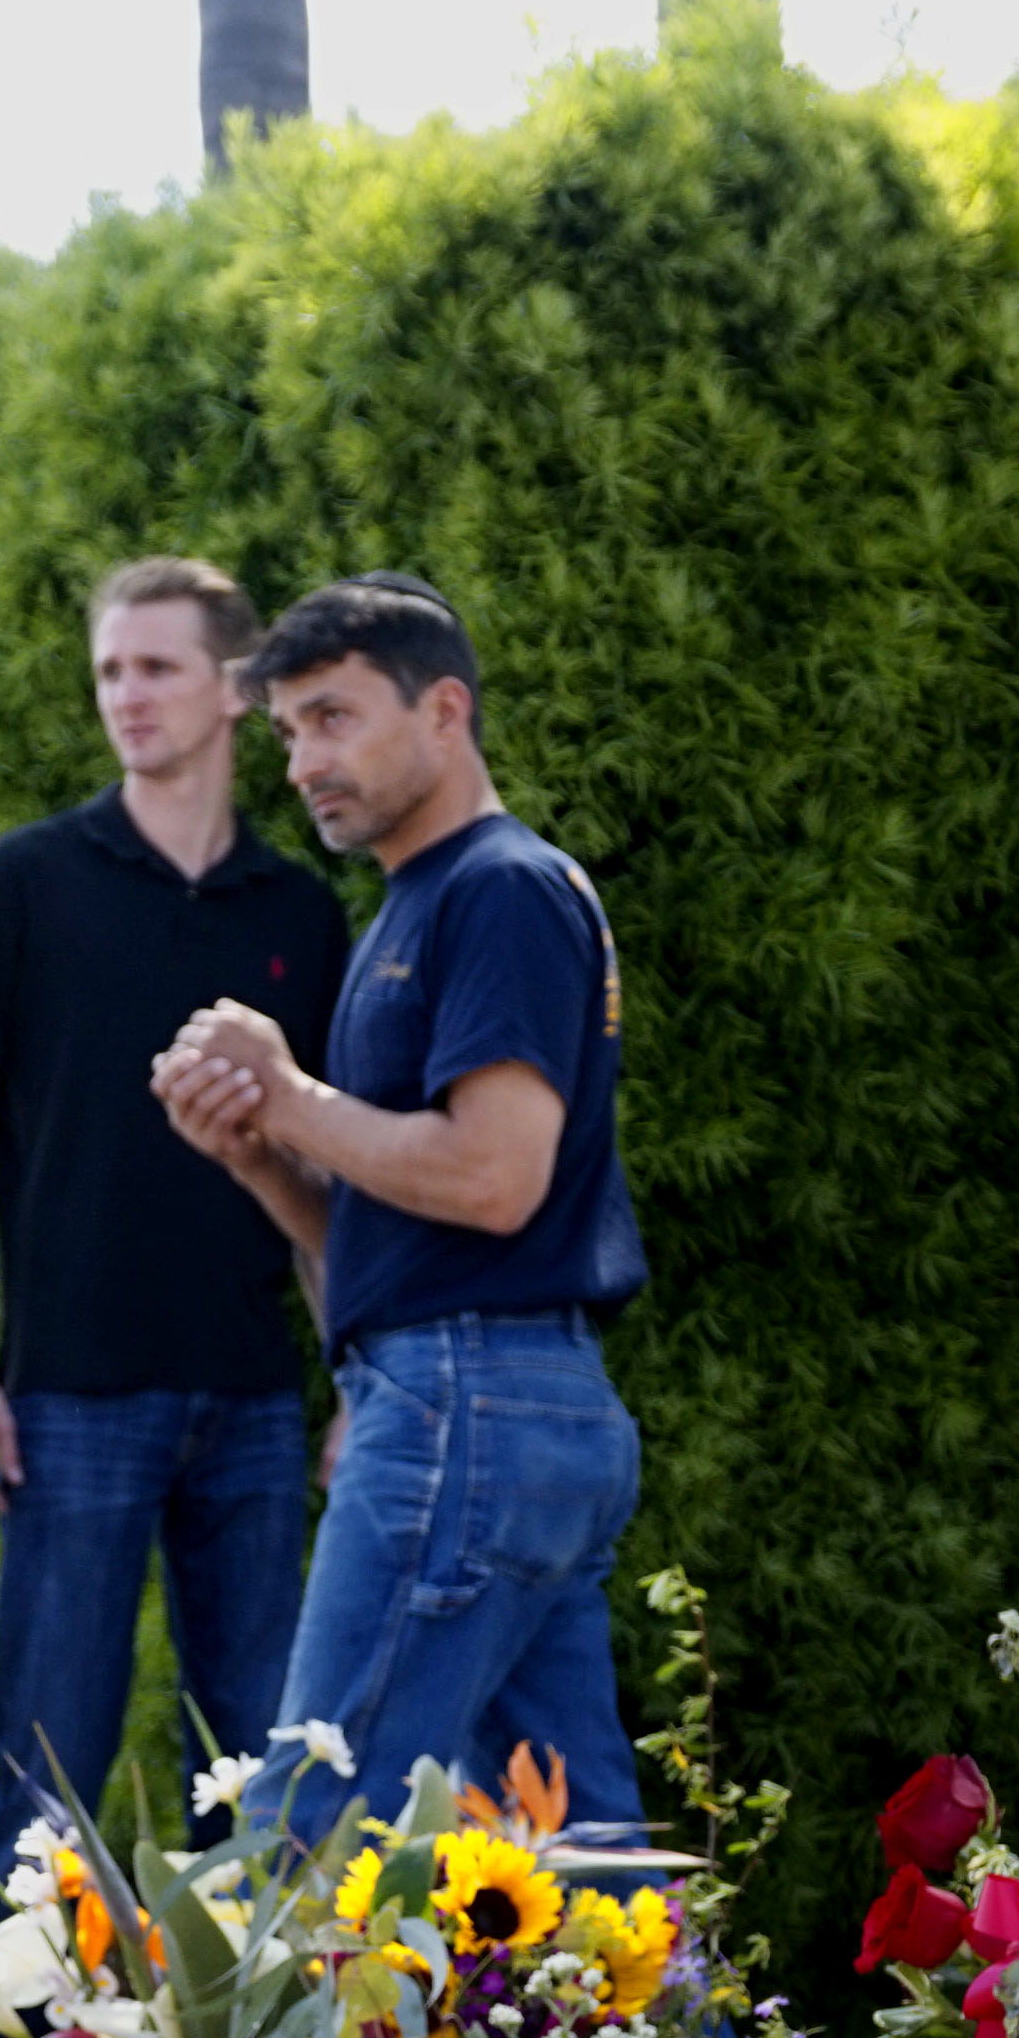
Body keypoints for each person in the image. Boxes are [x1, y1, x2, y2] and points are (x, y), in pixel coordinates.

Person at [153, 574, 648, 1845]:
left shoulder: (497, 888)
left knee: (308, 1828)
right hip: (497, 1399)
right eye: (287, 733)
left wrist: (287, 1088)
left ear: (443, 710)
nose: (307, 760)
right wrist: (258, 1151)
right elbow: (394, 1228)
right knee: (582, 1872)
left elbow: (495, 1178)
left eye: (333, 717)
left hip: (465, 1405)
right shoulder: (415, 907)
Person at [0, 556, 346, 1944]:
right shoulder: (25, 883)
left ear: (232, 688)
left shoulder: (300, 912)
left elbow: (333, 1167)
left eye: (155, 667)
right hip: (73, 1398)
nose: (126, 695)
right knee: (46, 1772)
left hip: (258, 1405)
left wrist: (354, 1385)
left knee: (267, 1775)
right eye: (109, 671)